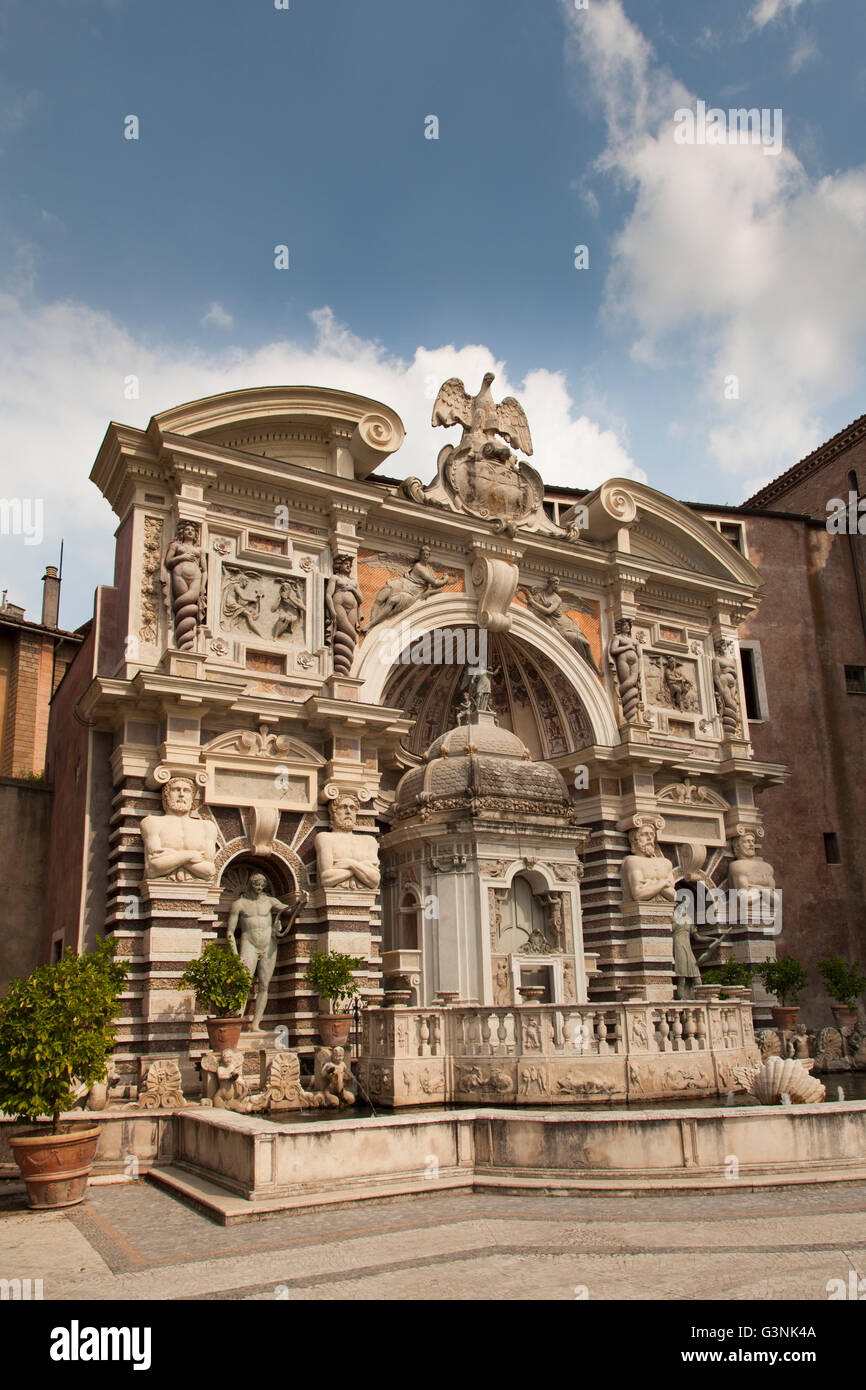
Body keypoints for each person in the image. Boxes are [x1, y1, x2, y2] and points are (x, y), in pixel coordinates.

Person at [227, 873, 306, 1029]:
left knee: (264, 985)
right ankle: (236, 1021)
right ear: (250, 884)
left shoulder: (270, 901)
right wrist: (235, 955)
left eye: (262, 885)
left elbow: (289, 911)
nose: (259, 888)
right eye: (256, 885)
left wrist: (302, 903)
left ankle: (256, 1024)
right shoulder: (239, 904)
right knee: (244, 983)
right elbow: (230, 932)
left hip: (268, 945)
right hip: (248, 944)